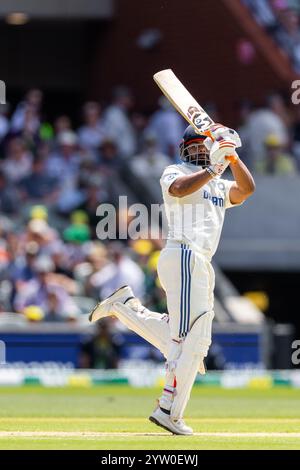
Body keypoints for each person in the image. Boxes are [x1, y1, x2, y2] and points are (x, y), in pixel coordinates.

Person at [89, 123, 255, 435]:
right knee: (185, 340)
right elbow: (179, 190)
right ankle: (168, 409)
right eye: (193, 145)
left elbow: (247, 190)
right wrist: (215, 167)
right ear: (185, 149)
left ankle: (126, 307)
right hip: (182, 253)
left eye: (201, 145)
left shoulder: (220, 183)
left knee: (196, 340)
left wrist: (232, 157)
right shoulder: (174, 171)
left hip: (201, 261)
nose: (197, 149)